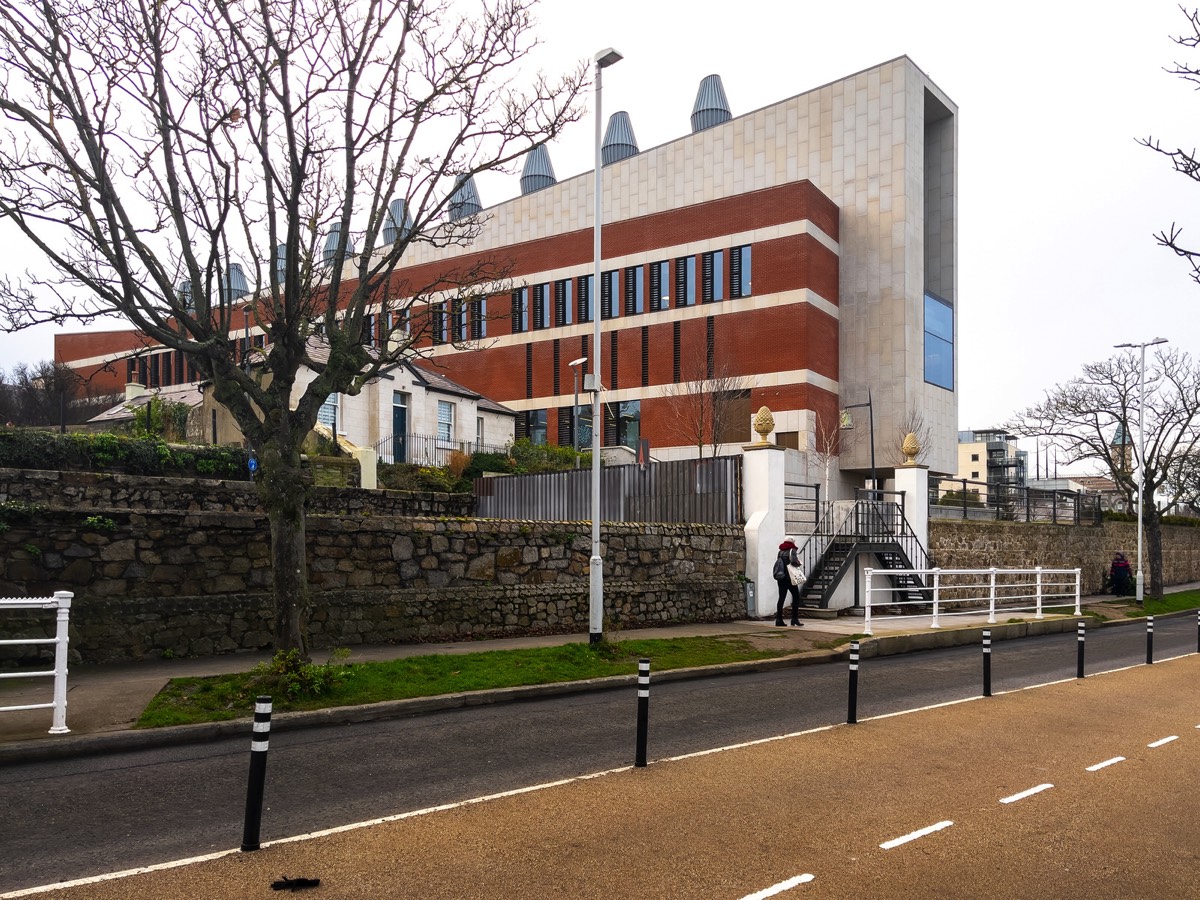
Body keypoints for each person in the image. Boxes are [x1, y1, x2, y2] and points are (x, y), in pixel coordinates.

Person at [773, 536, 804, 627]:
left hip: (781, 578)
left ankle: (779, 620)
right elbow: (794, 562)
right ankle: (794, 619)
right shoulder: (792, 550)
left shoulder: (780, 551)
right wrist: (799, 563)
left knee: (781, 598)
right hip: (790, 578)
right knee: (796, 597)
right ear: (792, 542)